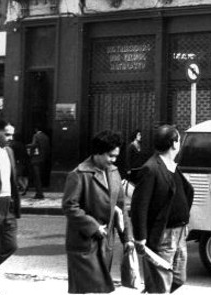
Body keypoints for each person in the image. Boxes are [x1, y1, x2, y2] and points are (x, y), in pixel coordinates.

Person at [62, 130, 131, 294]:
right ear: (97, 153)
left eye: (116, 156)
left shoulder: (114, 172)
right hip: (85, 244)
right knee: (89, 289)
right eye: (110, 156)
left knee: (100, 289)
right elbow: (70, 206)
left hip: (105, 244)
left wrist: (127, 238)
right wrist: (94, 227)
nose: (113, 160)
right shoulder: (79, 174)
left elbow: (121, 207)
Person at [131, 125, 194, 294]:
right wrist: (141, 237)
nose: (179, 143)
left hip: (179, 232)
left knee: (179, 278)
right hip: (163, 235)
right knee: (161, 285)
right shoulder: (151, 168)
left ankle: (153, 290)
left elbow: (181, 194)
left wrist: (184, 221)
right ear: (174, 144)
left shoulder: (172, 166)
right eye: (179, 140)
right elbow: (139, 205)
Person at [0, 119, 20, 295]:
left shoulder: (9, 151)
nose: (10, 138)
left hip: (8, 204)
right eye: (7, 134)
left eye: (12, 135)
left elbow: (11, 180)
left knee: (11, 245)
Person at [26, 126, 50, 200]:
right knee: (40, 176)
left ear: (36, 129)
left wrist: (27, 146)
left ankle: (39, 193)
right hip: (43, 159)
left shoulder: (36, 135)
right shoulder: (46, 137)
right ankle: (40, 192)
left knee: (37, 177)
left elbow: (34, 144)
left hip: (36, 159)